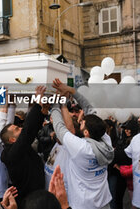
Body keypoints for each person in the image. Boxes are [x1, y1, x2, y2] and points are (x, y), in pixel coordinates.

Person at [52, 78, 114, 209]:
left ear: (86, 133)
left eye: (82, 123)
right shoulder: (105, 140)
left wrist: (56, 102)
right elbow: (90, 110)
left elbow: (59, 127)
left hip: (83, 205)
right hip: (103, 202)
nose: (80, 121)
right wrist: (71, 91)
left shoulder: (81, 148)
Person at [0, 86, 47, 202]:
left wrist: (42, 112)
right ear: (12, 140)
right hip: (30, 199)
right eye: (17, 129)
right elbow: (27, 132)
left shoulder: (16, 149)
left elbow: (32, 130)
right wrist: (37, 104)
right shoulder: (12, 154)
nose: (20, 129)